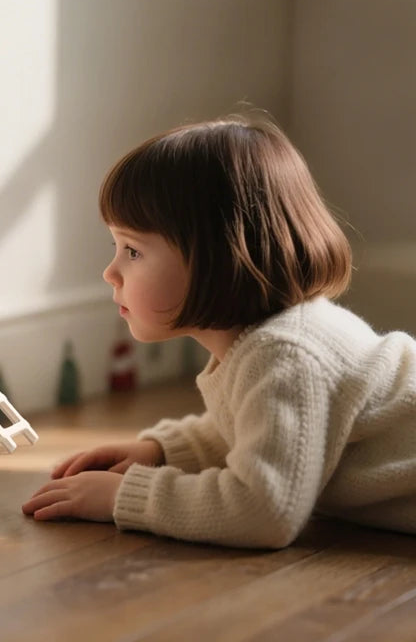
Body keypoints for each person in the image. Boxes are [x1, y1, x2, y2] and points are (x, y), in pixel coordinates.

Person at [22, 113, 416, 548]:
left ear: (218, 257)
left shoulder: (286, 353)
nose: (110, 272)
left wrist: (124, 495)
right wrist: (163, 452)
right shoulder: (269, 343)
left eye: (132, 250)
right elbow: (258, 429)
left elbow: (264, 511)